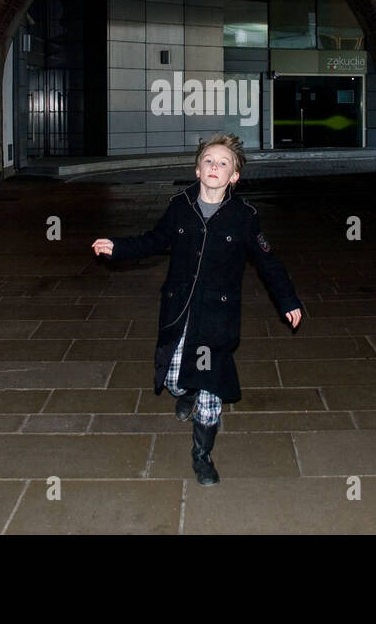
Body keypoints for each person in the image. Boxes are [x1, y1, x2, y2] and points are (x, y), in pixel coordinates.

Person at [91, 133, 303, 485]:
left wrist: (288, 300)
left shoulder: (244, 217)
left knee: (210, 387)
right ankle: (186, 390)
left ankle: (202, 455)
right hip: (180, 311)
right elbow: (155, 240)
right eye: (208, 160)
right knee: (174, 379)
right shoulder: (180, 206)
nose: (214, 166)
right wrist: (119, 247)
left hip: (217, 320)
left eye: (223, 163)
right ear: (197, 170)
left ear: (234, 176)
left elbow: (269, 263)